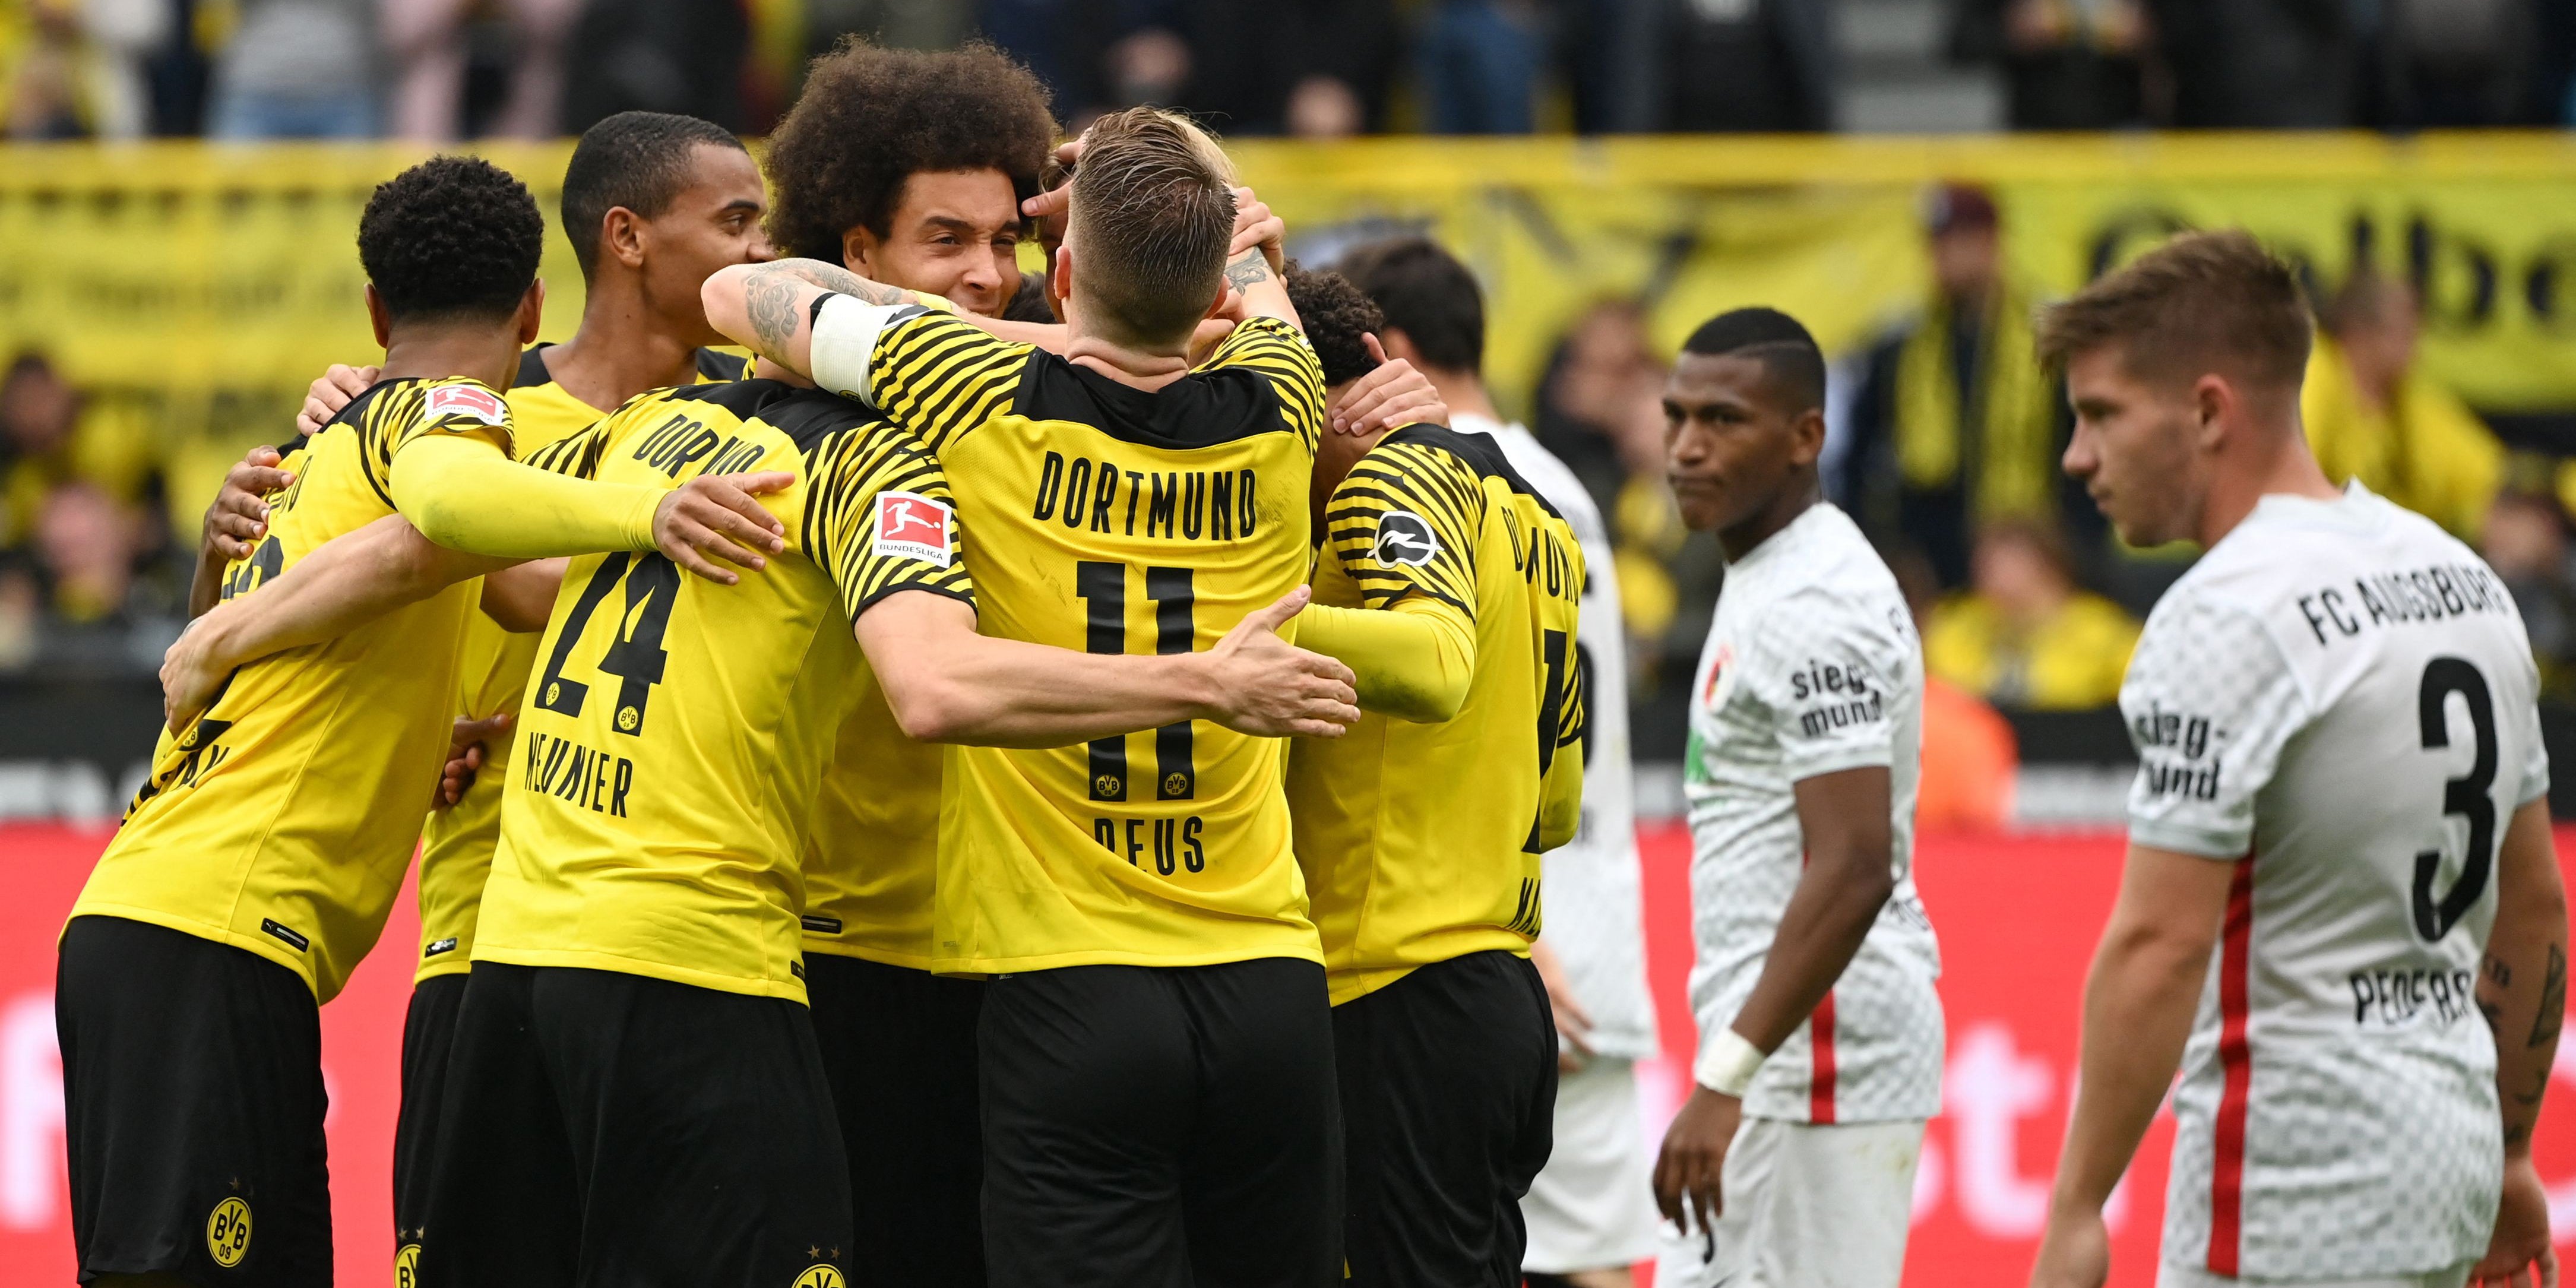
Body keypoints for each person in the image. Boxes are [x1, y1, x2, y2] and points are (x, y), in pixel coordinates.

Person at [58, 153, 779, 1288]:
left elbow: (514, 587)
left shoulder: (315, 455)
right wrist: (654, 511)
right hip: (212, 926)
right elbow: (448, 512)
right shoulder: (442, 413)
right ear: (532, 307)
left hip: (176, 920)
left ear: (376, 310)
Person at [703, 106, 1347, 1288]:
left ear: (1059, 274)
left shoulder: (970, 384)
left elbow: (739, 295)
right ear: (1213, 291)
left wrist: (989, 323)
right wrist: (1180, 173)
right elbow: (1255, 267)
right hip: (1268, 979)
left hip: (1066, 984)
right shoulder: (1284, 398)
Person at [2027, 230, 2565, 1288]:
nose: (2075, 456)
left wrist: (2077, 1207)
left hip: (2290, 1186)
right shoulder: (2462, 580)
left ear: (2207, 412)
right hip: (2446, 1163)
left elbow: (2158, 945)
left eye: (2101, 414)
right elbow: (2534, 901)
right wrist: (2508, 1151)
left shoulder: (2224, 612)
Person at [757, 40, 1056, 1287]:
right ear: (857, 253)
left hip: (1032, 953)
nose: (987, 273)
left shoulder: (1060, 400)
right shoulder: (770, 420)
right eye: (947, 240)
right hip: (844, 950)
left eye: (1006, 239)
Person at [1333, 239, 1664, 1288]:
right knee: (1568, 1254)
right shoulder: (1547, 491)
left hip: (1481, 921)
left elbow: (1461, 690)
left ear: (1386, 351)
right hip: (1566, 910)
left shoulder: (1415, 483)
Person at [1277, 255, 1588, 1287]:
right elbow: (1556, 803)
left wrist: (1226, 623)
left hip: (1396, 988)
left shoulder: (1389, 472)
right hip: (1501, 990)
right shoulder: (1537, 515)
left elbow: (1431, 662)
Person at [1651, 307, 1944, 1288]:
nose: (1687, 446)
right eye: (1676, 415)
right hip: (1784, 1058)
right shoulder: (1772, 571)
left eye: (1723, 420)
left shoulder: (1815, 601)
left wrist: (1726, 1078)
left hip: (1811, 1062)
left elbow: (1854, 862)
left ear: (1805, 435)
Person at [1840, 184, 2068, 591]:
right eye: (1938, 244)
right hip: (1930, 564)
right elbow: (1859, 458)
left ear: (1993, 243)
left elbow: (2073, 449)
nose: (1947, 257)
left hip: (2029, 556)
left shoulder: (2048, 342)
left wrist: (2068, 552)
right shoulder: (1902, 345)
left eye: (1961, 240)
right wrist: (1888, 551)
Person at [2303, 267, 2503, 543]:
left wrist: (2499, 519)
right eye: (2404, 330)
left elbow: (2487, 479)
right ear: (2358, 330)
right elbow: (2291, 474)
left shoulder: (2412, 399)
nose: (2416, 346)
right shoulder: (2314, 372)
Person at [1922, 517, 2140, 710]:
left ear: (2049, 565)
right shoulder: (1957, 624)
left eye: (2010, 563)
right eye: (1986, 564)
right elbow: (1937, 682)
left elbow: (2142, 686)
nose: (1993, 576)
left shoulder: (2101, 629)